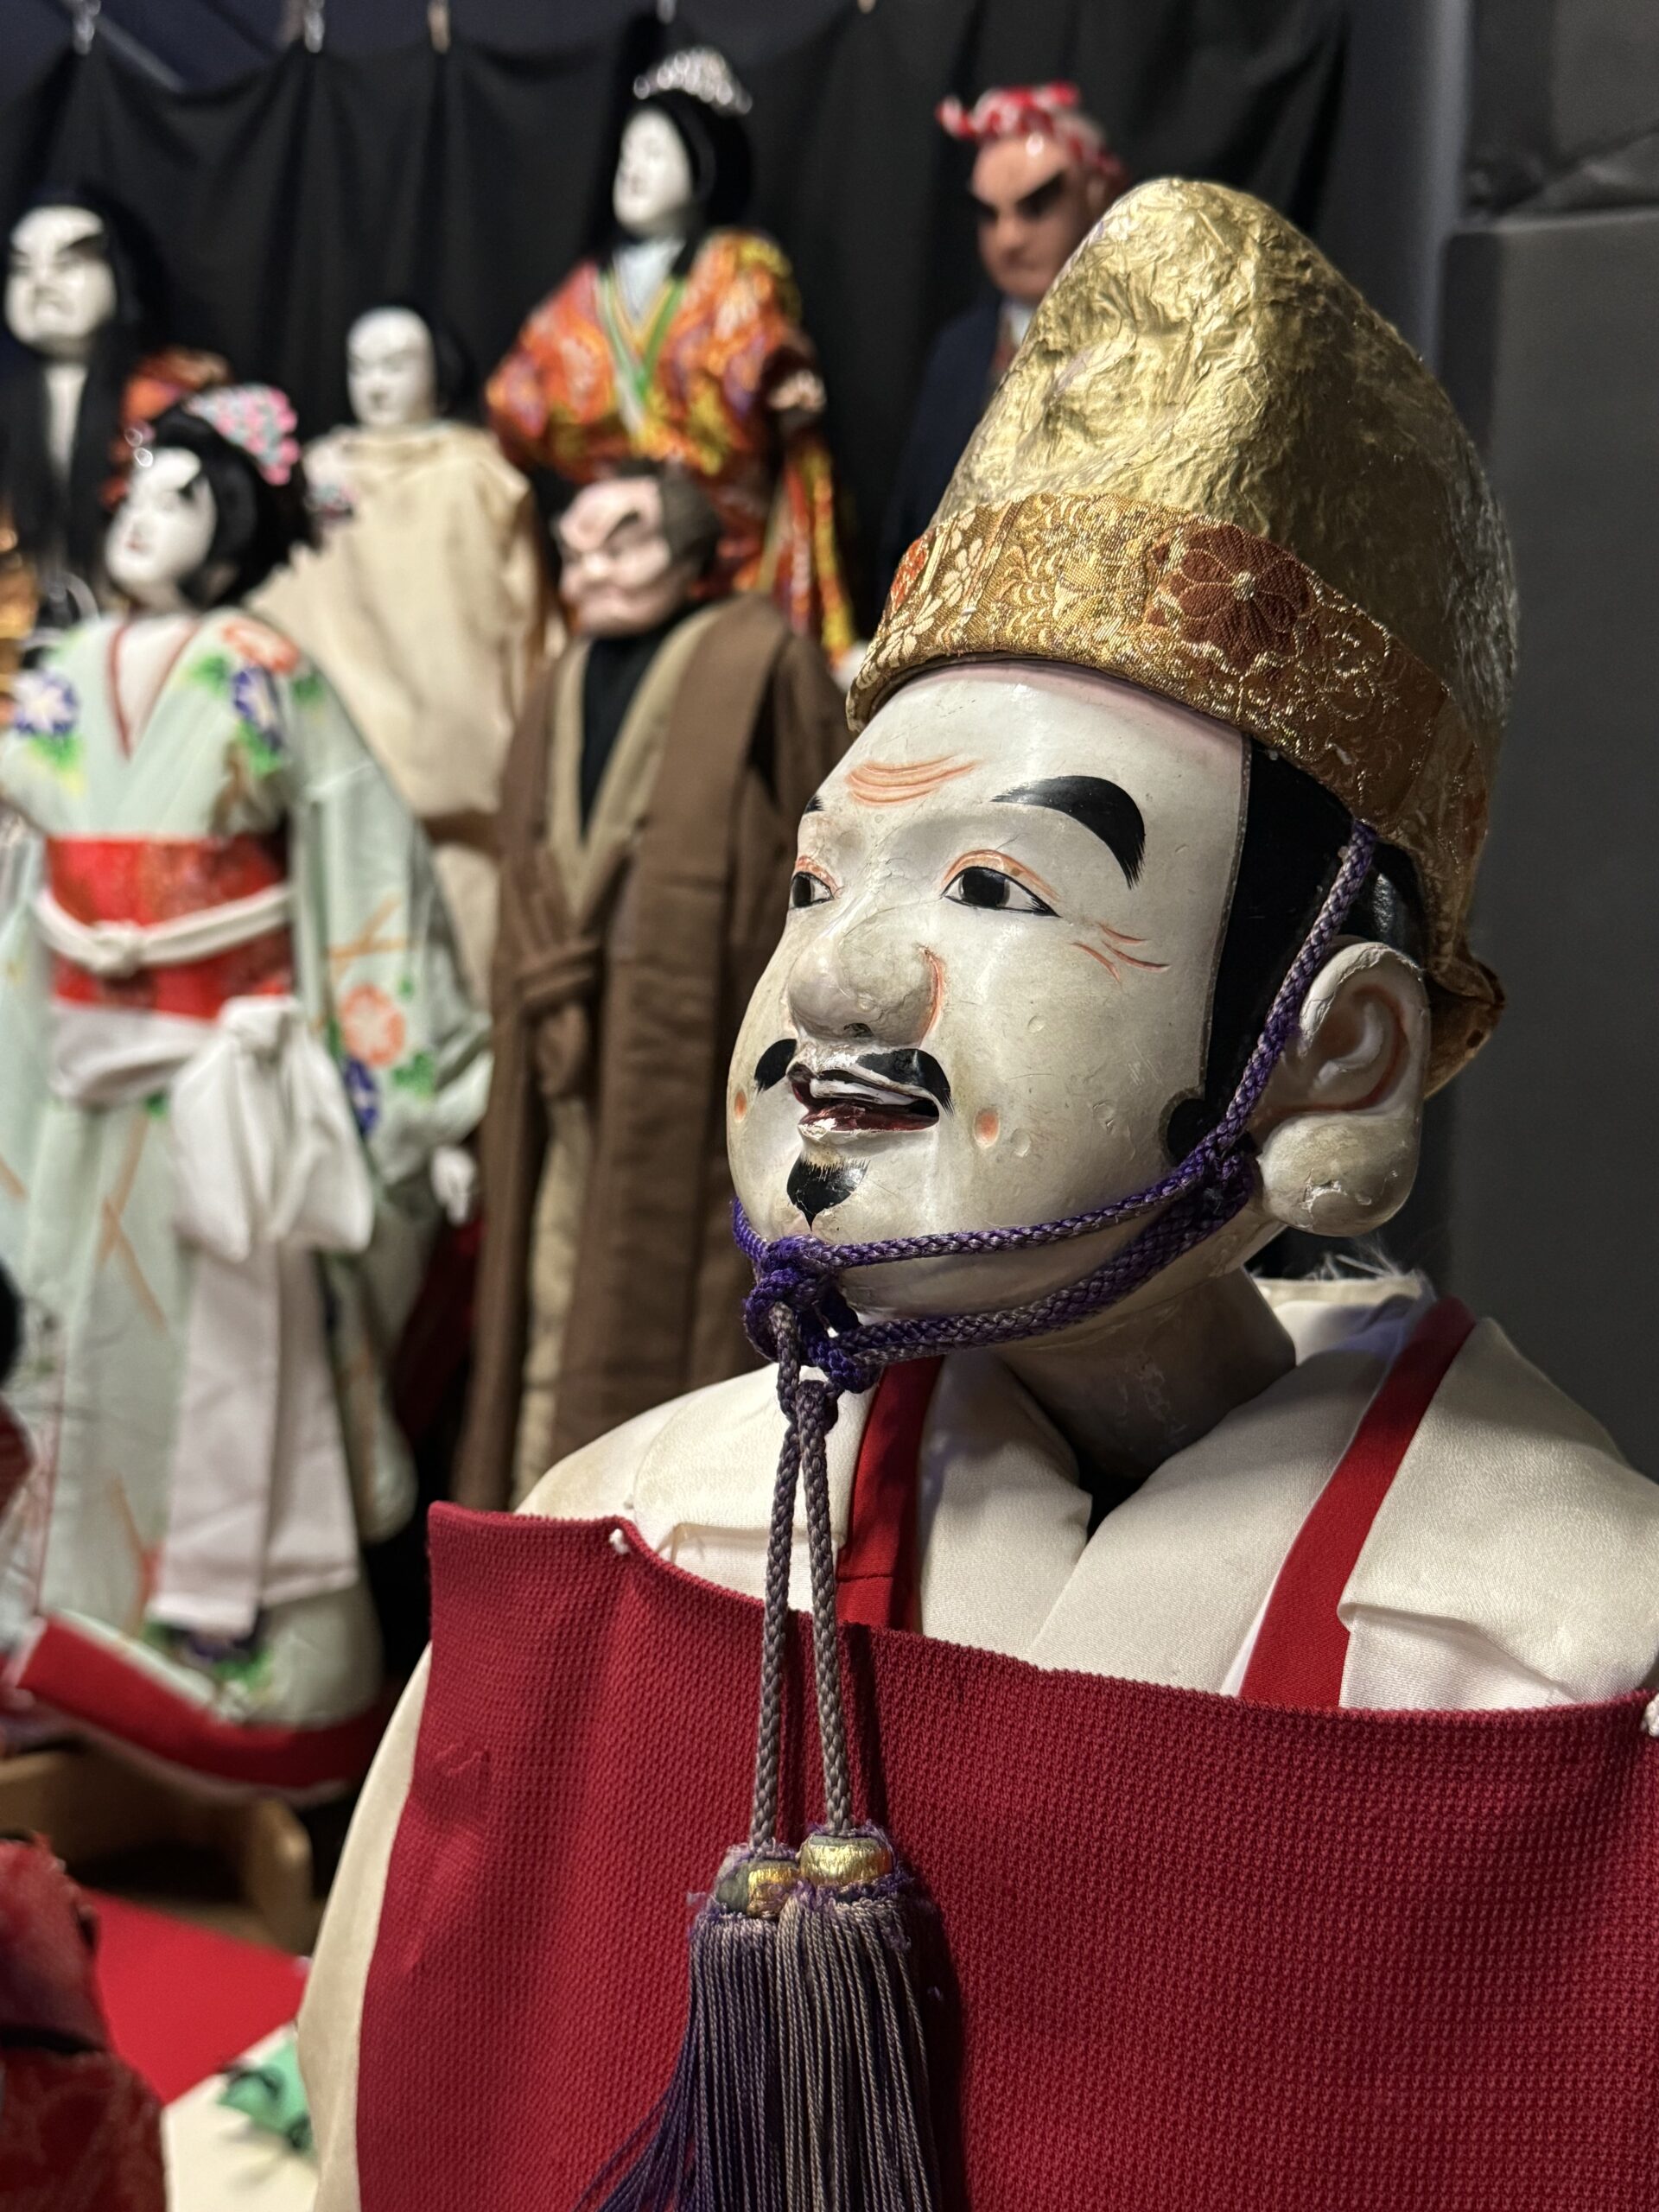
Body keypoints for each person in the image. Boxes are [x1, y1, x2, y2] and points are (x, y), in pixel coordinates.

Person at [302, 184, 1659, 2209]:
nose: (837, 973)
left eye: (1000, 890)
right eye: (819, 880)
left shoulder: (1581, 1690)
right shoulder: (614, 1550)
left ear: (1337, 1051)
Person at [0, 388, 489, 1795]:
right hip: (75, 1061)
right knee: (63, 1345)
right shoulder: (62, 670)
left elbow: (360, 869)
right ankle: (55, 1641)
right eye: (138, 494)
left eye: (183, 500)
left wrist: (419, 1088)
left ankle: (245, 1679)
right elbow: (28, 873)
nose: (146, 517)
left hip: (222, 1068)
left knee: (224, 1365)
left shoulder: (267, 668)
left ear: (236, 536)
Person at [455, 461, 848, 1504]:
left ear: (691, 547)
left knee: (666, 1275)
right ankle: (534, 1517)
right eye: (576, 546)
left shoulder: (760, 661)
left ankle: (644, 1524)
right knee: (547, 1273)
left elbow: (825, 846)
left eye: (622, 539)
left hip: (694, 1035)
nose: (594, 567)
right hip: (563, 1037)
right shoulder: (561, 679)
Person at [486, 47, 855, 664]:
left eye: (655, 154)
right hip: (607, 557)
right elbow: (516, 399)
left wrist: (775, 387)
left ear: (703, 167)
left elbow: (757, 372)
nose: (633, 171)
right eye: (628, 156)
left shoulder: (737, 267)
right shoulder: (587, 287)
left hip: (720, 556)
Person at [254, 304, 556, 1001]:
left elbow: (525, 626)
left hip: (458, 801)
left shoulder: (480, 477)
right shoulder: (313, 479)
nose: (376, 383)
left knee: (467, 988)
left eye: (396, 363)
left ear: (438, 372)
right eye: (361, 366)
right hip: (329, 793)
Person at [877, 82, 1127, 601]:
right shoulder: (959, 351)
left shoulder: (1135, 344)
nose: (1009, 239)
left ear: (1097, 194)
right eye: (990, 215)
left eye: (1036, 208)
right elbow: (910, 516)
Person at [0, 187, 225, 671]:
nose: (41, 283)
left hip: (142, 638)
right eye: (22, 268)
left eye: (68, 264)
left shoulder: (176, 393)